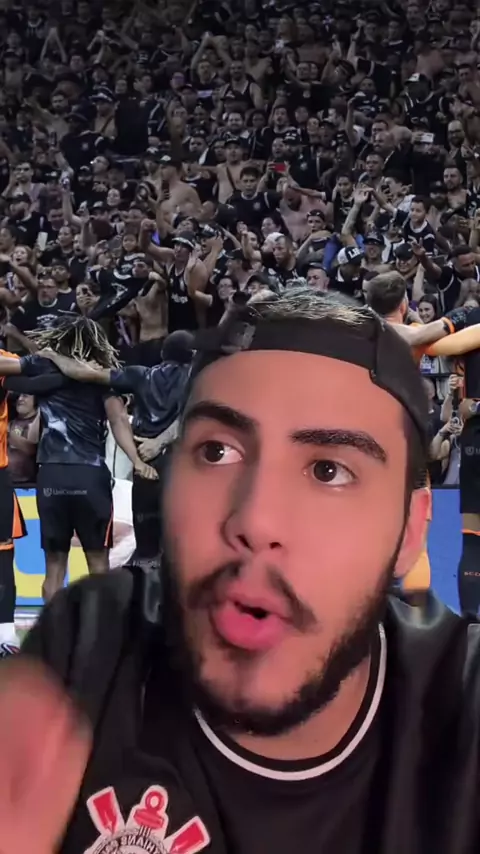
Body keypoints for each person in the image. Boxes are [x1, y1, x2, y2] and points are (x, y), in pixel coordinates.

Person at [2, 287, 479, 854]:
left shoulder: (461, 709)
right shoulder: (86, 651)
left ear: (411, 531)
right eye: (217, 452)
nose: (255, 520)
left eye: (328, 470)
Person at [0, 317, 158, 602]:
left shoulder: (43, 365)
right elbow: (118, 419)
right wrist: (136, 460)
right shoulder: (101, 375)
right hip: (90, 477)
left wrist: (35, 363)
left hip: (51, 477)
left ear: (58, 339)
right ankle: (100, 627)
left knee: (54, 568)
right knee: (98, 565)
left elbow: (8, 370)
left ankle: (53, 628)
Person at [42, 330, 194, 569]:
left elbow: (84, 373)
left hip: (145, 460)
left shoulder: (141, 375)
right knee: (179, 542)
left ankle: (145, 587)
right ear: (192, 354)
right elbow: (189, 416)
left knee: (146, 548)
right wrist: (161, 442)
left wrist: (53, 356)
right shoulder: (198, 379)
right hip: (180, 462)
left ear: (164, 353)